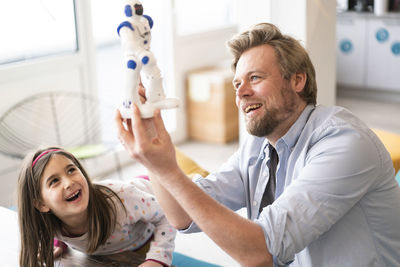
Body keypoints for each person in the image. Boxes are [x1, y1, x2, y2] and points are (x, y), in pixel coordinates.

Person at [115, 22, 400, 266]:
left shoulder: (344, 143)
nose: (242, 93)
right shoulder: (258, 147)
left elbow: (259, 252)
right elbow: (180, 216)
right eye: (237, 84)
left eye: (255, 78)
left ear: (297, 80)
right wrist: (151, 144)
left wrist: (168, 170)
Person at [17, 147, 175, 267]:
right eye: (54, 181)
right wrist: (58, 242)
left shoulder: (119, 200)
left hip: (154, 192)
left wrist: (158, 259)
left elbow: (167, 215)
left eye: (71, 170)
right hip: (124, 240)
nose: (69, 182)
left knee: (187, 182)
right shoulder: (47, 223)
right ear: (42, 204)